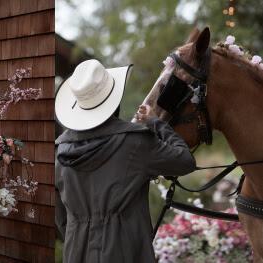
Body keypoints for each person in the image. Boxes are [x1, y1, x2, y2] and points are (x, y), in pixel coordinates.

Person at [54, 59, 196, 262]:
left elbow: (61, 218)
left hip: (77, 253)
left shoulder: (59, 150)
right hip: (126, 252)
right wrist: (155, 122)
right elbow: (185, 160)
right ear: (114, 99)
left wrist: (80, 232)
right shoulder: (135, 142)